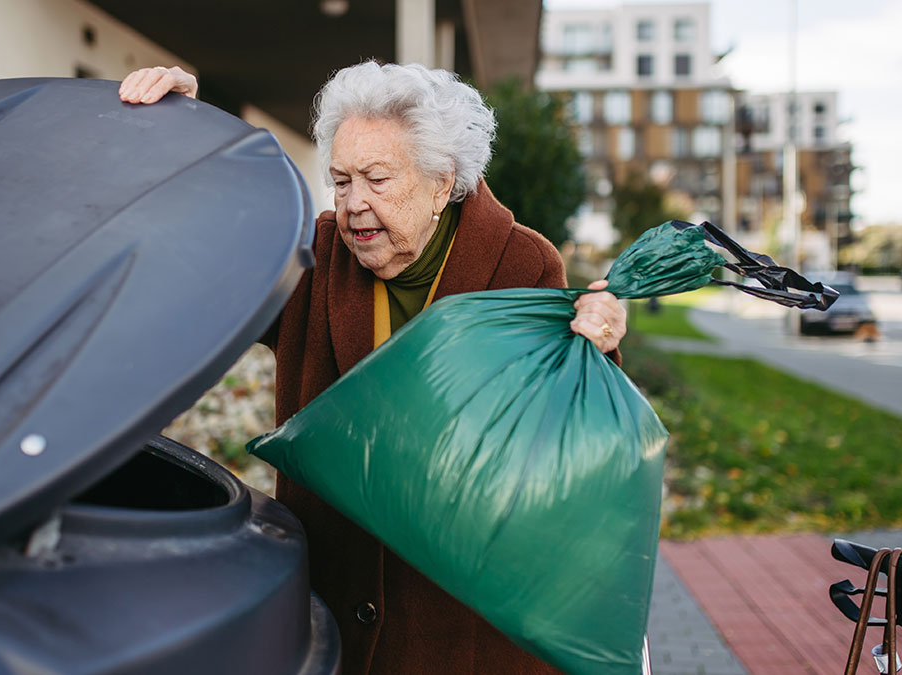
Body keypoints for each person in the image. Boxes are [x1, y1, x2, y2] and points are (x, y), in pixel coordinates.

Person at [120, 61, 627, 675]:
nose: (354, 204)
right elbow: (212, 264)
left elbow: (563, 424)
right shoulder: (313, 257)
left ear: (443, 183)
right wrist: (187, 134)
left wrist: (599, 338)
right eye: (340, 181)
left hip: (460, 633)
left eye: (377, 179)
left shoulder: (521, 265)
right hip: (335, 622)